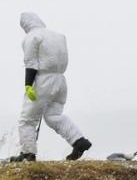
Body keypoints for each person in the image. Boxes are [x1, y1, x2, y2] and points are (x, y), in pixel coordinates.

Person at [10, 12, 91, 162]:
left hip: (43, 80)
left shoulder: (31, 37)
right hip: (60, 80)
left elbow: (31, 63)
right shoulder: (59, 36)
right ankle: (79, 141)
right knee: (54, 116)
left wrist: (28, 85)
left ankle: (28, 154)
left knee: (27, 119)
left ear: (25, 25)